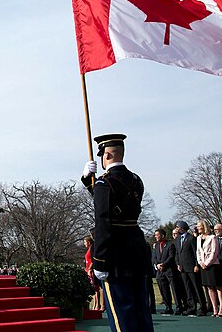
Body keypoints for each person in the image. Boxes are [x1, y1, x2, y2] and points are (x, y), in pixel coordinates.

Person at [80, 133, 153, 332]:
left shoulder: (104, 183)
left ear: (107, 156)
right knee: (140, 311)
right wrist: (89, 181)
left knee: (122, 314)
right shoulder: (136, 180)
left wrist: (100, 260)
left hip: (115, 254)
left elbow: (103, 221)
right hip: (136, 251)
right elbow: (117, 204)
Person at [174, 220, 207, 316]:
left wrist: (196, 264)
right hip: (182, 268)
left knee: (196, 287)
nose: (177, 229)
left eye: (177, 227)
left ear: (182, 228)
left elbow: (196, 252)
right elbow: (177, 253)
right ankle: (191, 307)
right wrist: (178, 264)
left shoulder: (191, 238)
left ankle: (202, 307)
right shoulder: (178, 239)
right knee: (187, 288)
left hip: (192, 267)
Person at [196, 219, 222, 317]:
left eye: (199, 226)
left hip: (213, 265)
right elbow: (198, 252)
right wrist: (200, 262)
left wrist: (207, 263)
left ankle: (221, 309)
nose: (198, 228)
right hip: (203, 265)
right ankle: (214, 309)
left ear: (204, 227)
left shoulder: (212, 237)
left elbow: (214, 252)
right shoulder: (199, 238)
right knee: (209, 287)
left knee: (217, 286)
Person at [152, 229, 174, 314]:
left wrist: (163, 264)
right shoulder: (156, 245)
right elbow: (154, 257)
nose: (156, 237)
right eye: (155, 235)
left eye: (157, 235)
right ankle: (168, 307)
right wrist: (157, 265)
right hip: (159, 272)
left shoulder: (169, 244)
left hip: (168, 270)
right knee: (163, 290)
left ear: (162, 235)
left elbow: (171, 256)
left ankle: (179, 307)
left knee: (173, 289)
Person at [85, 235, 105, 311]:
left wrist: (90, 269)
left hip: (93, 270)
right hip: (88, 270)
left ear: (89, 242)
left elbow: (93, 260)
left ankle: (102, 305)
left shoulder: (92, 248)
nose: (84, 244)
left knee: (98, 287)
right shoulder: (89, 250)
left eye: (85, 242)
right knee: (95, 288)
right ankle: (96, 304)